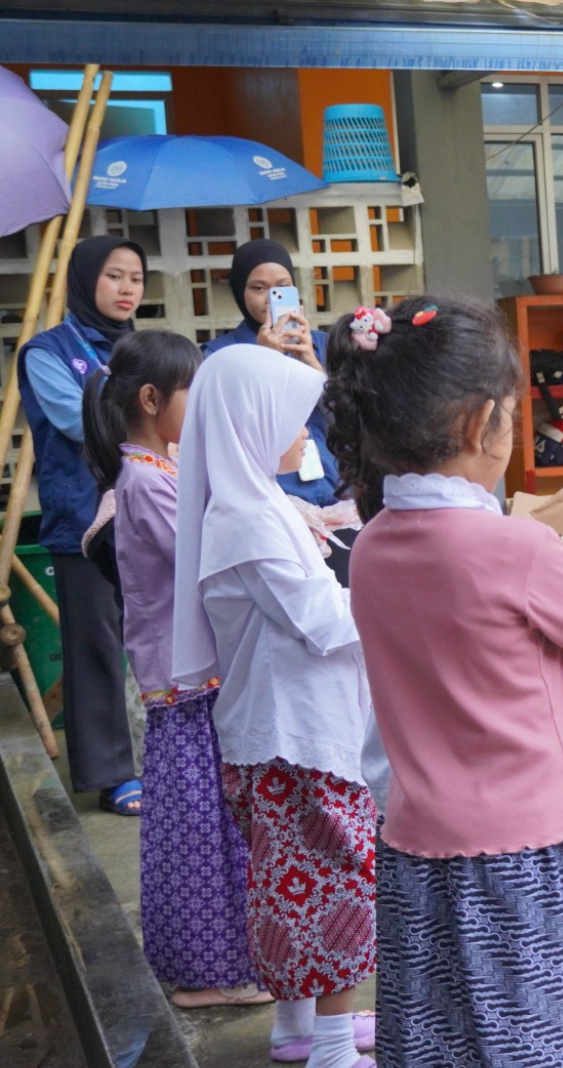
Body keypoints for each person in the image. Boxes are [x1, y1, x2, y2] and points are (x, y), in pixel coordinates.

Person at [322, 295, 563, 1066]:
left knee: (444, 1035)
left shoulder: (374, 545)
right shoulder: (514, 548)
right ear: (479, 423)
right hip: (523, 851)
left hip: (417, 846)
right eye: (514, 414)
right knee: (539, 1035)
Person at [171, 343, 378, 1068]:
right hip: (296, 734)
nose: (305, 434)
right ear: (251, 421)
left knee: (297, 881)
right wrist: (400, 595)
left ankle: (299, 1027)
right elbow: (322, 623)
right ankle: (327, 1047)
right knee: (334, 881)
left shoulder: (256, 502)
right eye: (294, 418)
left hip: (288, 727)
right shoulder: (247, 518)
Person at [80, 330, 267, 1009]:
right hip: (185, 683)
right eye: (193, 390)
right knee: (200, 832)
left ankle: (213, 966)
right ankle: (205, 975)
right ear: (152, 398)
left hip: (194, 676)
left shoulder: (155, 470)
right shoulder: (143, 480)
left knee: (210, 826)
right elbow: (207, 553)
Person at [16, 235, 145, 815]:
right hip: (85, 520)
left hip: (152, 510)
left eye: (136, 279)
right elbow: (75, 421)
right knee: (95, 646)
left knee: (162, 640)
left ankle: (163, 758)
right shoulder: (47, 351)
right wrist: (145, 409)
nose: (126, 289)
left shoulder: (145, 347)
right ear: (86, 280)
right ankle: (113, 774)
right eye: (115, 276)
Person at [201, 239, 357, 582]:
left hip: (335, 496)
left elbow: (350, 420)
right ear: (240, 293)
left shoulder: (325, 344)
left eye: (282, 287)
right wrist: (263, 361)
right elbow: (234, 431)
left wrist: (313, 366)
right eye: (259, 288)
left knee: (348, 602)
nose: (271, 298)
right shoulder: (222, 355)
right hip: (275, 505)